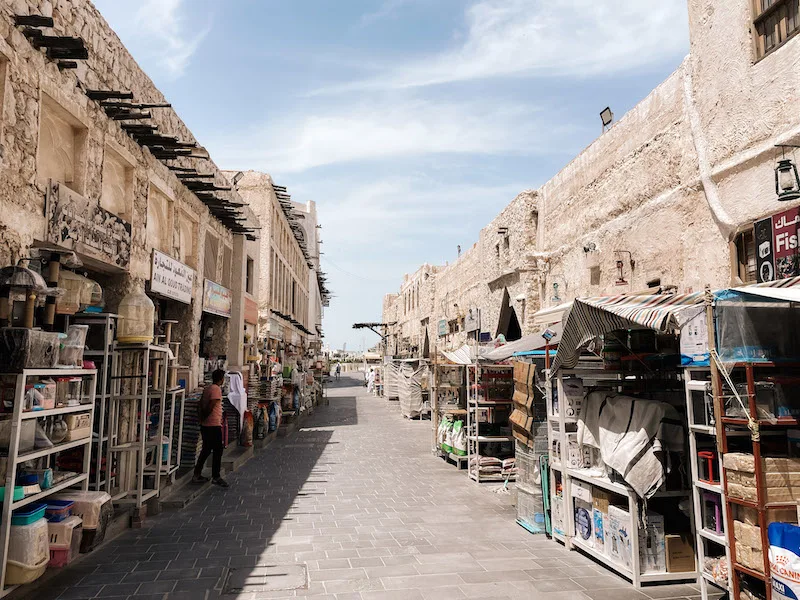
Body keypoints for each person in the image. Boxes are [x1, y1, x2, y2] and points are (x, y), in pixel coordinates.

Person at [193, 369, 229, 487]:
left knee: (207, 449)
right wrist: (205, 417)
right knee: (218, 449)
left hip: (207, 424)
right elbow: (212, 405)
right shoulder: (216, 389)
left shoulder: (208, 388)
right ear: (221, 379)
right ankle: (216, 476)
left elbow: (200, 404)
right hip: (213, 424)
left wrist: (202, 419)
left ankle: (197, 473)